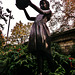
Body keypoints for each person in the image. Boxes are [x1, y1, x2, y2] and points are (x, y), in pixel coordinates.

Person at [21, 0, 52, 75]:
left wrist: (30, 4)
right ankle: (40, 72)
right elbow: (29, 18)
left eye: (43, 3)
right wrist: (24, 9)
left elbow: (43, 12)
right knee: (38, 53)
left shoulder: (48, 11)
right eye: (40, 4)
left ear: (47, 5)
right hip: (36, 32)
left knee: (45, 51)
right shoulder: (38, 16)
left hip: (42, 31)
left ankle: (52, 68)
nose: (41, 5)